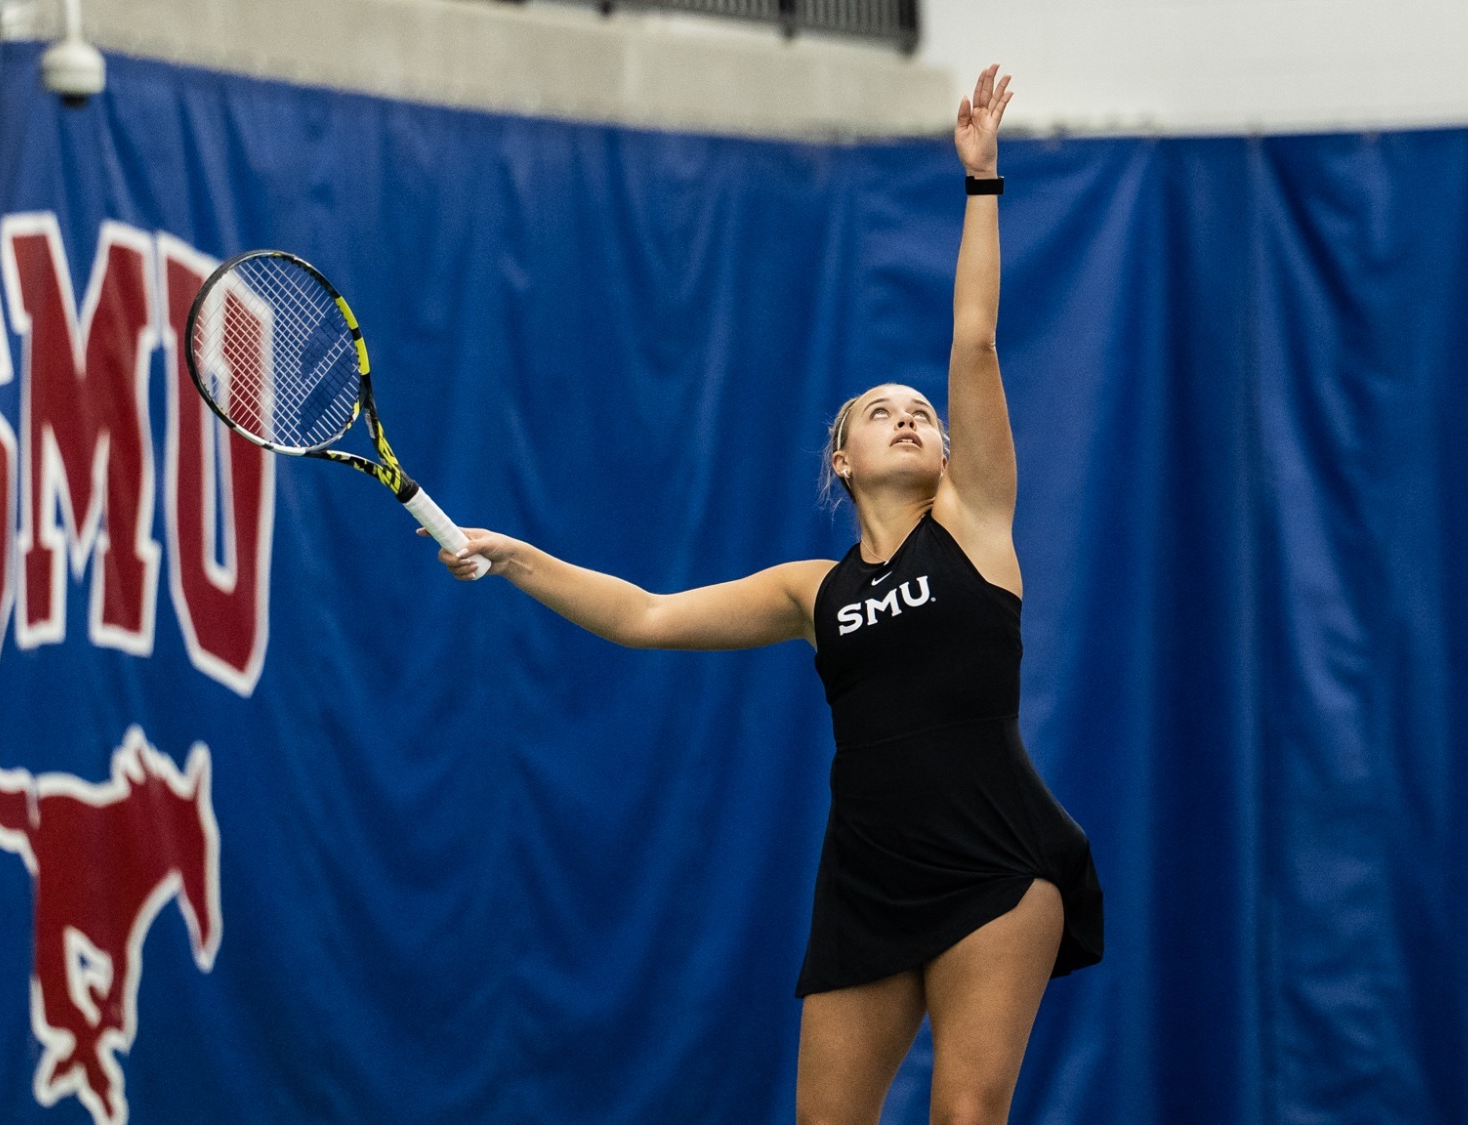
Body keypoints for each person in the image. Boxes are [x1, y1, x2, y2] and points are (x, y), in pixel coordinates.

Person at [432, 65, 1102, 1125]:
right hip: (867, 876)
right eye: (878, 411)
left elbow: (971, 339)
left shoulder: (976, 527)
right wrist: (521, 562)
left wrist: (980, 185)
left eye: (920, 412)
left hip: (997, 856)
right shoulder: (810, 591)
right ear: (838, 460)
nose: (909, 416)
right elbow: (647, 617)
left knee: (966, 1115)